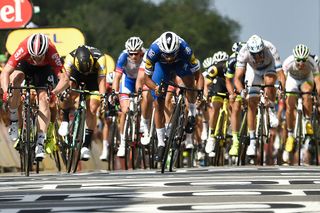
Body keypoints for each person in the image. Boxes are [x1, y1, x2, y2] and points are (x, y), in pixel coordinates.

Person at [1, 33, 68, 160]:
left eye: (40, 56)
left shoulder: (52, 51)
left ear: (45, 52)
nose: (37, 59)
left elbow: (65, 79)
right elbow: (5, 72)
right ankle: (14, 120)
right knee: (15, 81)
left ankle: (40, 142)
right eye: (35, 56)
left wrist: (54, 93)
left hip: (45, 69)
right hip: (25, 64)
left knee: (43, 98)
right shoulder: (24, 47)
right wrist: (6, 92)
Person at [144, 31, 203, 162]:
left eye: (172, 54)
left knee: (190, 83)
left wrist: (200, 91)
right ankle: (161, 143)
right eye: (167, 55)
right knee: (158, 103)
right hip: (161, 67)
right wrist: (156, 88)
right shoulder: (153, 51)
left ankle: (192, 113)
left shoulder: (185, 49)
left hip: (180, 63)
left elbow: (198, 75)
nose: (169, 57)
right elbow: (146, 79)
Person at [234, 34, 286, 157]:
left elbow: (281, 74)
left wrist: (281, 88)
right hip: (253, 71)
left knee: (269, 82)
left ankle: (271, 108)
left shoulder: (271, 48)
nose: (257, 56)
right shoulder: (243, 52)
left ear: (263, 49)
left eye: (260, 53)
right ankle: (252, 141)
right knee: (252, 102)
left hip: (269, 68)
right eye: (254, 54)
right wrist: (242, 91)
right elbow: (237, 78)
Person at [58, 45, 107, 160]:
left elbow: (101, 81)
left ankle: (86, 145)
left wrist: (103, 98)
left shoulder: (100, 58)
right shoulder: (70, 58)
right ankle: (65, 119)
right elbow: (65, 79)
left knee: (93, 107)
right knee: (69, 92)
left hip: (93, 78)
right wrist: (63, 93)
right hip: (76, 74)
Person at [282, 44, 320, 156]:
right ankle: (290, 135)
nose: (301, 63)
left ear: (307, 58)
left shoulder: (312, 63)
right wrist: (282, 91)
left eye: (303, 60)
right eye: (298, 60)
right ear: (294, 58)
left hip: (306, 79)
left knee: (307, 93)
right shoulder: (288, 62)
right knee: (289, 105)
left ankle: (307, 121)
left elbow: (317, 81)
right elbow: (283, 79)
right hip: (292, 80)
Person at [112, 36, 146, 157]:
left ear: (141, 52)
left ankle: (143, 125)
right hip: (128, 82)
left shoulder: (146, 56)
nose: (133, 56)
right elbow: (117, 77)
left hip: (142, 81)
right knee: (125, 111)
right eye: (131, 53)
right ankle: (122, 143)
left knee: (145, 100)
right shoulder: (123, 56)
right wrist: (114, 92)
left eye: (136, 53)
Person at [204, 51, 229, 155]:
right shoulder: (215, 68)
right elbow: (206, 84)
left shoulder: (234, 67)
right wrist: (206, 96)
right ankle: (211, 134)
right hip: (218, 89)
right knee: (215, 108)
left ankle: (230, 128)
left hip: (229, 90)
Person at [226, 42, 246, 156]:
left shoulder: (252, 58)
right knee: (236, 106)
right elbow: (228, 80)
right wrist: (231, 93)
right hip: (238, 82)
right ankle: (235, 140)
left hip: (251, 79)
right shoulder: (232, 61)